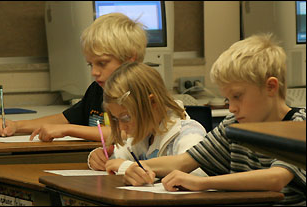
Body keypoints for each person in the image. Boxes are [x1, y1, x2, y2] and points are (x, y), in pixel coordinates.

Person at [123, 34, 306, 206]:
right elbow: (183, 162)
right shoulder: (234, 124)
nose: (232, 107)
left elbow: (276, 178)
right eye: (228, 99)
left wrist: (202, 183)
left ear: (270, 87)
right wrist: (138, 167)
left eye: (237, 96)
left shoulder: (300, 125)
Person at [0, 13, 147, 142]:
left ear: (129, 59)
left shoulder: (140, 89)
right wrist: (16, 126)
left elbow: (126, 133)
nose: (94, 72)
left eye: (102, 63)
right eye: (90, 65)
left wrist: (69, 130)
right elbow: (65, 118)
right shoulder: (98, 89)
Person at [87, 62, 208, 177]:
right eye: (115, 118)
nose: (121, 127)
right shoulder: (142, 135)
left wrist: (127, 167)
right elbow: (116, 160)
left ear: (152, 102)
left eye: (126, 117)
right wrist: (99, 159)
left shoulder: (189, 133)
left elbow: (195, 173)